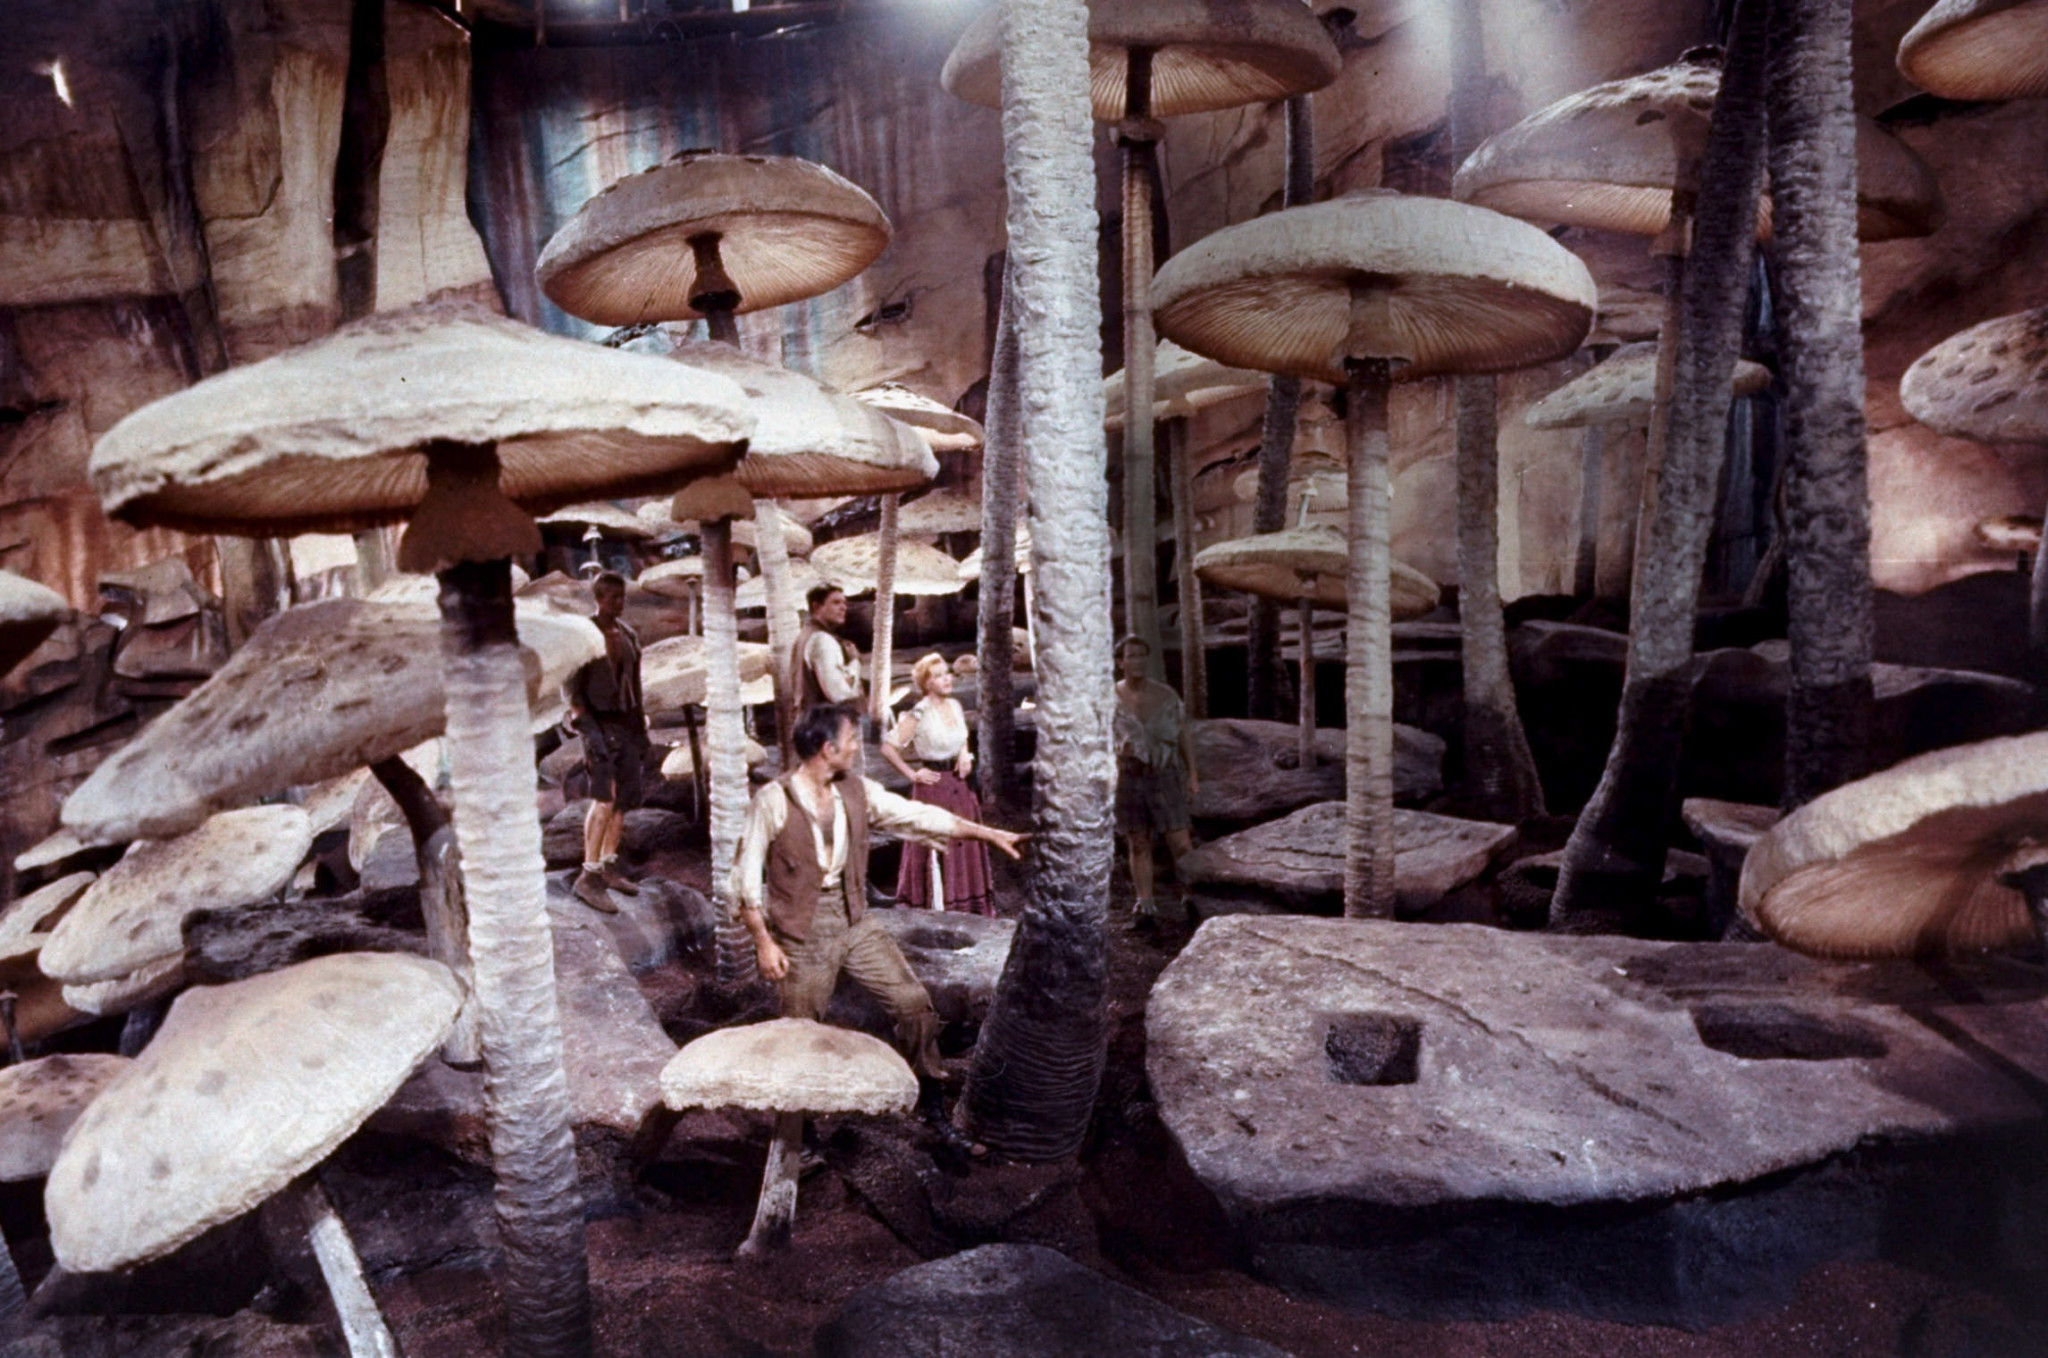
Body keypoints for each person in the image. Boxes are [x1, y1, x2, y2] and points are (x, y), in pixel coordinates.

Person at [733, 702, 1024, 1144]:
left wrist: (988, 833)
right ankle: (798, 1136)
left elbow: (917, 817)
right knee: (798, 1031)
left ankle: (931, 1108)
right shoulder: (773, 801)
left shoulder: (855, 790)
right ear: (827, 748)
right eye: (851, 740)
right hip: (802, 930)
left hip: (854, 920)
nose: (856, 747)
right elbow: (743, 878)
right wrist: (763, 942)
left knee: (914, 1004)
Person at [879, 653, 993, 915]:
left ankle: (968, 907)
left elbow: (962, 737)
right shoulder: (919, 712)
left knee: (965, 842)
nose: (947, 679)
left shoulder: (954, 705)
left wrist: (965, 754)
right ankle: (936, 907)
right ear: (926, 683)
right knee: (939, 845)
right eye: (939, 676)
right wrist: (912, 774)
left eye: (947, 673)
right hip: (934, 788)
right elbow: (888, 747)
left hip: (960, 786)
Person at [566, 571, 649, 914]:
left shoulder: (628, 635)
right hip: (596, 723)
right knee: (604, 799)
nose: (618, 604)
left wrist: (640, 731)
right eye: (612, 598)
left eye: (622, 598)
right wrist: (589, 731)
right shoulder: (584, 636)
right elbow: (573, 692)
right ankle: (588, 876)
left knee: (622, 801)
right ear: (599, 598)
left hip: (625, 723)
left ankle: (608, 866)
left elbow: (636, 684)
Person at [1113, 635, 1200, 929]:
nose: (1137, 661)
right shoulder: (1110, 698)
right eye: (1131, 656)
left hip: (1164, 774)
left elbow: (1182, 734)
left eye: (1142, 655)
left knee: (1181, 842)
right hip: (1129, 776)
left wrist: (1193, 774)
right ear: (1120, 662)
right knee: (1138, 843)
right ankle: (1145, 906)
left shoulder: (1166, 695)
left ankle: (1192, 898)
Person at [793, 583, 863, 708]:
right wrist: (854, 661)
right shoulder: (821, 639)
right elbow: (840, 694)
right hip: (825, 718)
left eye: (844, 603)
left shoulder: (805, 635)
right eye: (836, 602)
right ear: (816, 607)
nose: (843, 608)